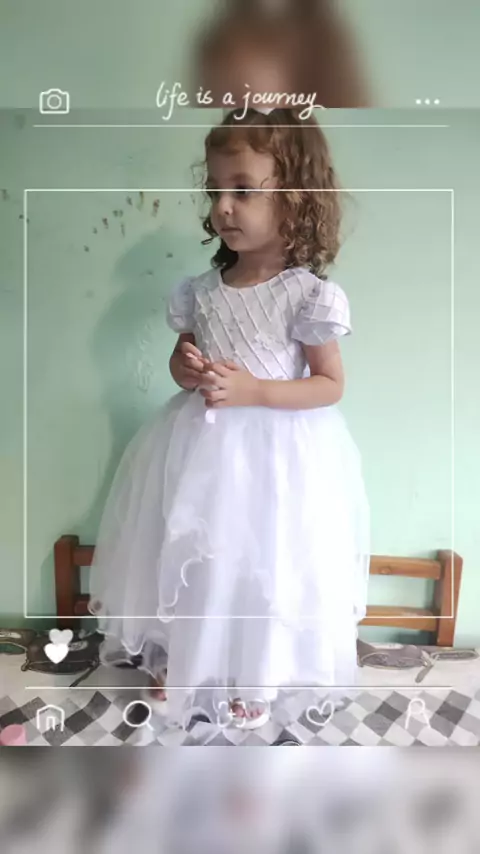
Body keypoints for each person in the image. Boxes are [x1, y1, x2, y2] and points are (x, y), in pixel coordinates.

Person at [89, 106, 370, 730]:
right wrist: (186, 369)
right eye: (216, 190)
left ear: (295, 197)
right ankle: (188, 661)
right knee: (196, 554)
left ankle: (257, 674)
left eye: (243, 190)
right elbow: (181, 361)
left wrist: (255, 390)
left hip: (277, 457)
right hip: (200, 448)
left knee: (265, 562)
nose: (223, 207)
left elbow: (329, 385)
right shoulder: (202, 290)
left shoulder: (307, 294)